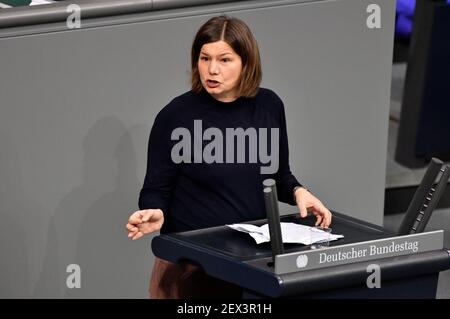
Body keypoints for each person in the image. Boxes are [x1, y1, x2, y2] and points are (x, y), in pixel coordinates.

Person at [126, 15, 332, 299]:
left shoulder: (269, 107)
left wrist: (299, 192)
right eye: (204, 58)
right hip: (192, 268)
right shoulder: (175, 116)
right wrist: (155, 211)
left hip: (251, 266)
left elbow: (277, 175)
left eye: (224, 60)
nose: (211, 69)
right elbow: (155, 190)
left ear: (246, 62)